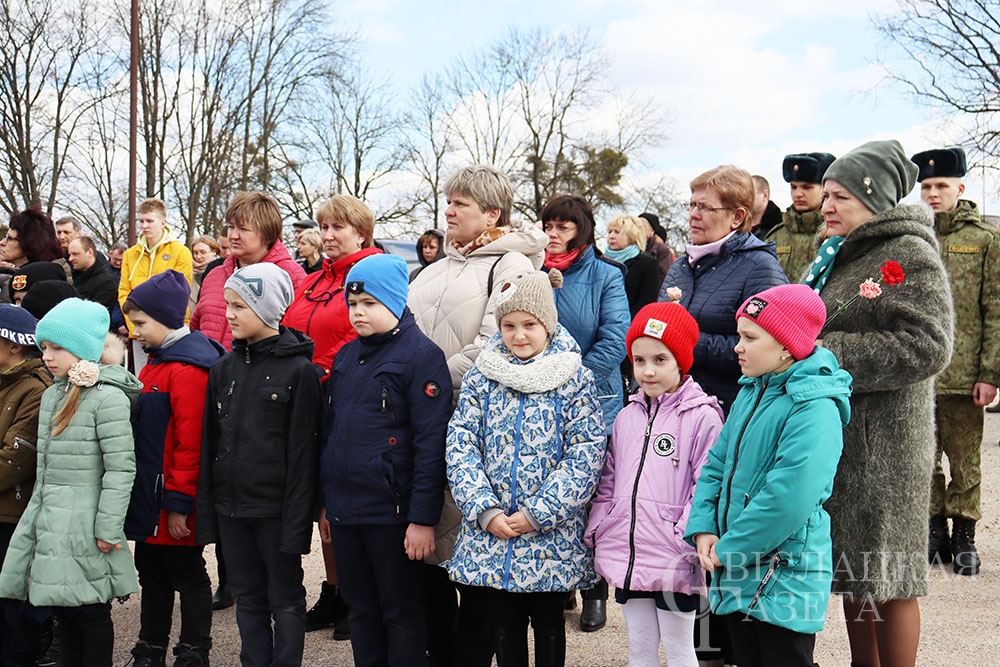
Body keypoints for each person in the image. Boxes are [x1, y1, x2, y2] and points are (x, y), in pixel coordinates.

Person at [805, 140, 954, 667]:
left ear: (873, 199)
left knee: (890, 576)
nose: (826, 206)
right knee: (857, 571)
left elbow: (930, 345)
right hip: (846, 438)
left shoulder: (908, 252)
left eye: (838, 195)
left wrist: (829, 353)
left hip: (886, 444)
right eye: (826, 194)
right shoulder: (837, 253)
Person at [408, 164, 547, 667]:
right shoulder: (430, 270)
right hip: (420, 422)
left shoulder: (511, 267)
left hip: (474, 424)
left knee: (472, 557)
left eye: (461, 203)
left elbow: (496, 343)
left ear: (492, 212)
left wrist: (425, 383)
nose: (449, 211)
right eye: (448, 202)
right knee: (427, 552)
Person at [446, 270, 606, 667]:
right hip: (495, 530)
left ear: (548, 325)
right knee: (504, 622)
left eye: (529, 325)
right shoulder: (481, 377)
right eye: (509, 325)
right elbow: (461, 444)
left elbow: (585, 452)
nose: (519, 335)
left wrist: (540, 512)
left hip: (548, 533)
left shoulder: (573, 378)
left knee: (549, 621)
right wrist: (484, 509)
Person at [686, 284, 851, 667]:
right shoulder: (750, 391)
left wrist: (730, 549)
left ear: (786, 346)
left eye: (749, 337)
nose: (737, 347)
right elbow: (715, 466)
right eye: (738, 336)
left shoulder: (814, 408)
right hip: (735, 566)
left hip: (783, 574)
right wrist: (705, 529)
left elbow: (788, 497)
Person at [321, 254, 451, 667]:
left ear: (394, 301)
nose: (358, 313)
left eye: (369, 304)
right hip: (347, 510)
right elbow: (330, 434)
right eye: (353, 304)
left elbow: (431, 444)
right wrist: (326, 504)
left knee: (400, 613)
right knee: (361, 611)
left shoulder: (421, 356)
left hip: (392, 514)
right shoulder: (345, 357)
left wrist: (422, 518)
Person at [0, 298, 141, 667]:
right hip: (49, 520)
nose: (47, 355)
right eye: (44, 346)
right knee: (60, 608)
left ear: (81, 349)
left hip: (86, 523)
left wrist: (108, 526)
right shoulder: (51, 395)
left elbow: (120, 468)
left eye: (58, 347)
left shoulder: (107, 399)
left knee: (90, 611)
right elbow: (45, 467)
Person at [195, 263, 322, 667]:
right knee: (248, 598)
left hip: (275, 511)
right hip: (232, 509)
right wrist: (208, 512)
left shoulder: (299, 372)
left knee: (284, 598)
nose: (229, 314)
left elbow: (305, 454)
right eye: (228, 304)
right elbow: (209, 443)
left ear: (268, 310)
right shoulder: (222, 369)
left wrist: (296, 522)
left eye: (240, 306)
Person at [585, 301, 723, 667]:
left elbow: (707, 483)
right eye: (639, 360)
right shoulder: (626, 416)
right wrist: (601, 524)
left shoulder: (703, 417)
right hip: (629, 551)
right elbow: (610, 478)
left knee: (679, 648)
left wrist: (686, 533)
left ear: (681, 360)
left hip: (673, 556)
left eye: (660, 360)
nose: (647, 371)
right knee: (639, 647)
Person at [283, 194, 382, 640]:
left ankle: (362, 597)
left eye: (336, 228)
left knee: (349, 503)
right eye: (323, 227)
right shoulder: (311, 280)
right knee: (323, 504)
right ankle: (335, 588)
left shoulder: (371, 276)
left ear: (360, 232)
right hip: (306, 400)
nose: (326, 236)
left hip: (347, 398)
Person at [122, 270, 225, 667]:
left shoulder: (188, 371)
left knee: (188, 575)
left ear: (165, 317)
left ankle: (194, 647)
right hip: (151, 498)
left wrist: (181, 502)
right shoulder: (156, 365)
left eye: (142, 323)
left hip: (173, 501)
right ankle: (151, 646)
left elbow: (191, 443)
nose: (135, 332)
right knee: (151, 574)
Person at [540, 193, 629, 632]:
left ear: (582, 229)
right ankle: (561, 582)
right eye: (549, 226)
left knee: (593, 493)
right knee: (552, 490)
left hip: (595, 398)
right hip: (540, 398)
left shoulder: (606, 275)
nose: (554, 235)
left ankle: (596, 589)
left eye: (564, 227)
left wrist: (569, 383)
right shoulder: (533, 272)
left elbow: (615, 339)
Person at [911, 146, 1000, 576]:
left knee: (965, 459)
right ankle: (934, 531)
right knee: (923, 457)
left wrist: (990, 372)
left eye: (941, 186)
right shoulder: (911, 240)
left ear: (960, 188)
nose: (932, 193)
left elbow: (995, 310)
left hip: (965, 377)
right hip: (920, 372)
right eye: (925, 186)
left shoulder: (984, 241)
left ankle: (964, 534)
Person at [658, 165, 787, 415]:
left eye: (705, 207)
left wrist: (690, 342)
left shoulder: (760, 267)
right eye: (692, 204)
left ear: (737, 217)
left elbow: (769, 350)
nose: (693, 215)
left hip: (727, 411)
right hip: (674, 408)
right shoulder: (680, 268)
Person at [0, 305, 52, 667]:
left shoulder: (34, 389)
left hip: (12, 513)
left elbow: (13, 461)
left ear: (14, 345)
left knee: (10, 599)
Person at [191, 192, 305, 351]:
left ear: (267, 234)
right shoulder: (215, 274)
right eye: (231, 227)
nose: (234, 236)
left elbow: (298, 338)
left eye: (243, 229)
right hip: (208, 372)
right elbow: (196, 327)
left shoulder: (292, 277)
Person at [118, 198, 194, 373]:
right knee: (142, 379)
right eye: (141, 221)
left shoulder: (180, 252)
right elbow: (124, 291)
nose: (144, 226)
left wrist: (158, 326)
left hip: (170, 331)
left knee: (169, 377)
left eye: (149, 221)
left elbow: (181, 293)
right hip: (138, 331)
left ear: (163, 222)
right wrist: (134, 323)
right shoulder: (130, 255)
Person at [764, 152, 836, 281]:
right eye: (793, 187)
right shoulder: (775, 236)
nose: (798, 194)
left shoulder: (835, 231)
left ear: (825, 189)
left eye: (807, 187)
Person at [604, 214, 660, 318]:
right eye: (609, 232)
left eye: (617, 232)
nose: (611, 236)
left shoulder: (647, 264)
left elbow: (646, 302)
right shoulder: (601, 261)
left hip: (628, 325)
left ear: (631, 237)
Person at [67, 236, 119, 320]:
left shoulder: (106, 283)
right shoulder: (71, 277)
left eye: (75, 254)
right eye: (69, 254)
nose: (70, 258)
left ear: (90, 252)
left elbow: (96, 317)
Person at [637, 212, 673, 287]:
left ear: (652, 231)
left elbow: (664, 278)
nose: (638, 229)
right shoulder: (627, 247)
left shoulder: (661, 250)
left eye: (642, 226)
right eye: (636, 225)